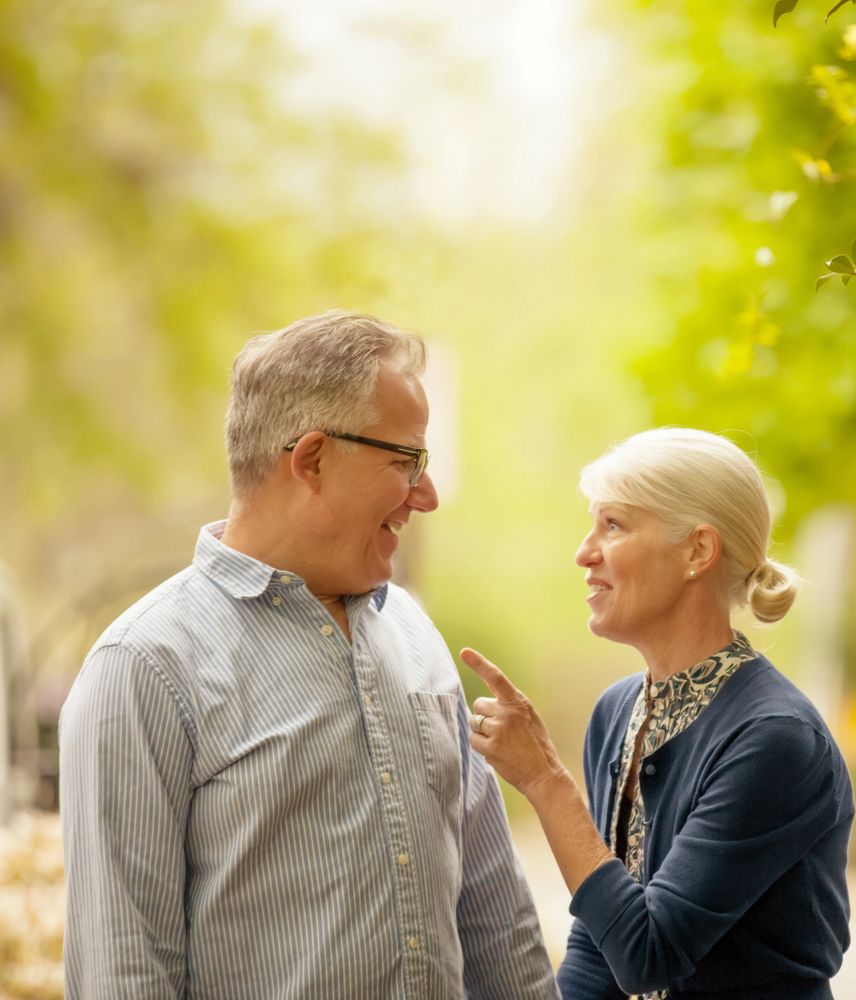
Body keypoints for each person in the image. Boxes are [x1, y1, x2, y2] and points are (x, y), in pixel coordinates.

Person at [59, 310, 558, 999]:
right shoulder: (144, 668)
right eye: (405, 461)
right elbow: (123, 971)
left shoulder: (416, 636)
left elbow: (497, 921)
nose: (428, 495)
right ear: (312, 459)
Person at [461, 427, 853, 1000]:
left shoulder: (775, 740)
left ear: (697, 550)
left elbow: (650, 953)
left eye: (613, 525)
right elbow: (600, 945)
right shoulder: (618, 710)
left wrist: (544, 780)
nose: (583, 551)